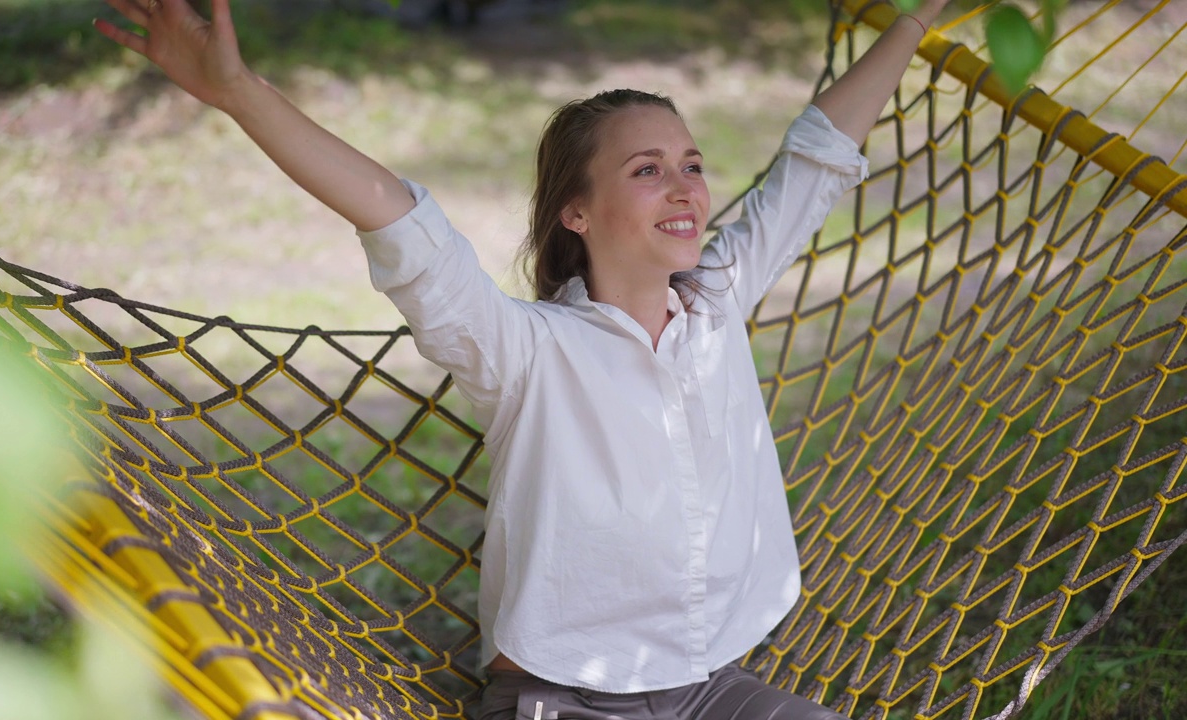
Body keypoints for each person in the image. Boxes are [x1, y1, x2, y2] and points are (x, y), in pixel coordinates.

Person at [94, 1, 949, 718]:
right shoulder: (526, 351)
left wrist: (913, 18)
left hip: (709, 689)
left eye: (692, 164)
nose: (687, 187)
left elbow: (814, 161)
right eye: (648, 170)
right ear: (576, 212)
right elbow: (397, 218)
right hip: (563, 696)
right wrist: (239, 93)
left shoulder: (717, 303)